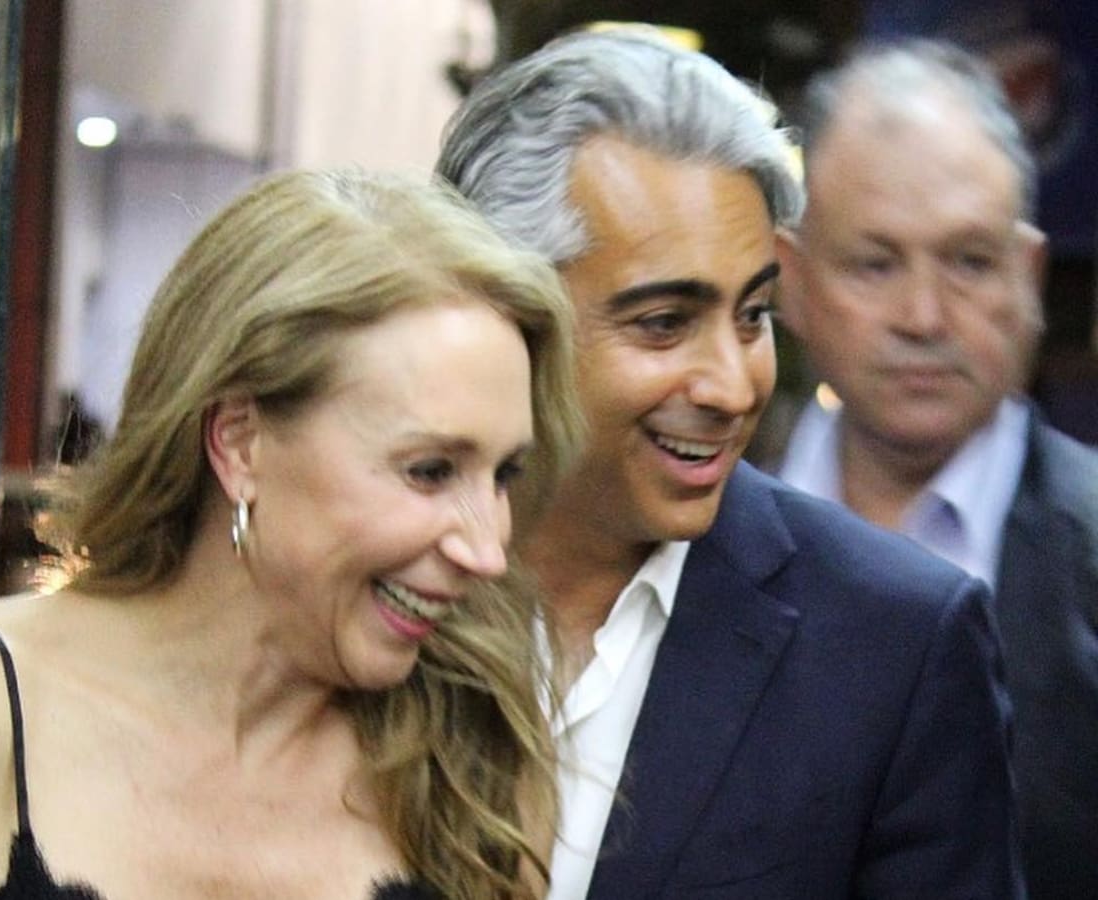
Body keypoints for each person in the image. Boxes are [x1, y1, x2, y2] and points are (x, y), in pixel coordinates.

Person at [437, 29, 1021, 900]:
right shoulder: (366, 582)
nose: (733, 384)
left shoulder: (896, 648)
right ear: (503, 311)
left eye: (753, 316)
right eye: (664, 323)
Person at [0, 169, 585, 900]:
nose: (487, 552)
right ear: (239, 442)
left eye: (504, 475)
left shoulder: (475, 766)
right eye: (430, 471)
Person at [775, 38, 1098, 900]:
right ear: (791, 280)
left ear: (1029, 278)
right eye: (875, 263)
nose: (923, 316)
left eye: (969, 262)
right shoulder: (683, 540)